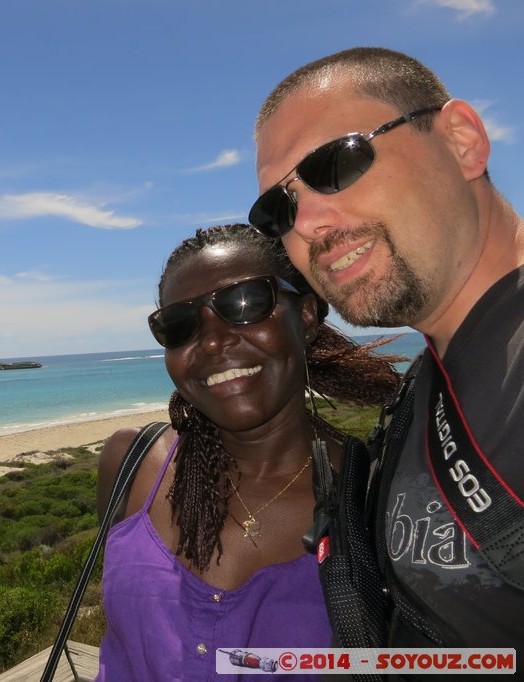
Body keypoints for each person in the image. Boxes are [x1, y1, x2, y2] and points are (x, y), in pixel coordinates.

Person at [250, 47, 524, 647]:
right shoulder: (426, 384)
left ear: (462, 141)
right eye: (279, 209)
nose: (308, 224)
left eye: (335, 164)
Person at [95, 223, 402, 680]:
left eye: (245, 303)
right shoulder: (132, 463)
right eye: (180, 324)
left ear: (308, 316)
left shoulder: (375, 496)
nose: (213, 340)